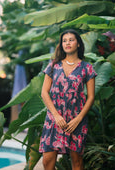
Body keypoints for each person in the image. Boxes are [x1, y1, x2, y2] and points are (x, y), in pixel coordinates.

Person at [39, 29, 97, 170]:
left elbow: (91, 97)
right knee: (47, 160)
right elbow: (44, 93)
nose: (67, 43)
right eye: (64, 41)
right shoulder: (53, 65)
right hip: (54, 118)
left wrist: (79, 118)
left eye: (71, 40)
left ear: (78, 44)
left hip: (76, 120)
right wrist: (56, 116)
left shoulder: (87, 68)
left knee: (76, 161)